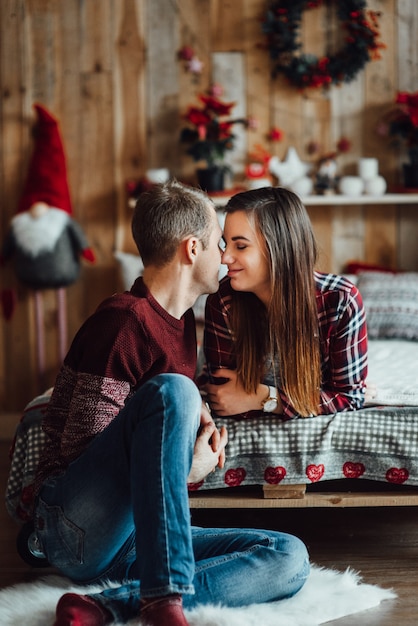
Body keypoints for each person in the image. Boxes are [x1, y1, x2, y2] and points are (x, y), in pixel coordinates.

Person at [32, 180, 310, 626]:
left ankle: (111, 607)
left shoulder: (181, 326)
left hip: (138, 539)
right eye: (221, 243)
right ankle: (164, 604)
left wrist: (190, 419)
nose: (226, 256)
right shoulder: (123, 320)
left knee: (288, 555)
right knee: (177, 390)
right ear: (193, 249)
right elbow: (79, 450)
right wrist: (188, 463)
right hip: (73, 526)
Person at [202, 186, 369, 421]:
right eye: (225, 244)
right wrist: (313, 399)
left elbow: (349, 399)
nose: (225, 257)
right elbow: (224, 398)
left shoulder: (340, 301)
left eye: (240, 246)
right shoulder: (222, 302)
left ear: (279, 249)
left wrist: (264, 398)